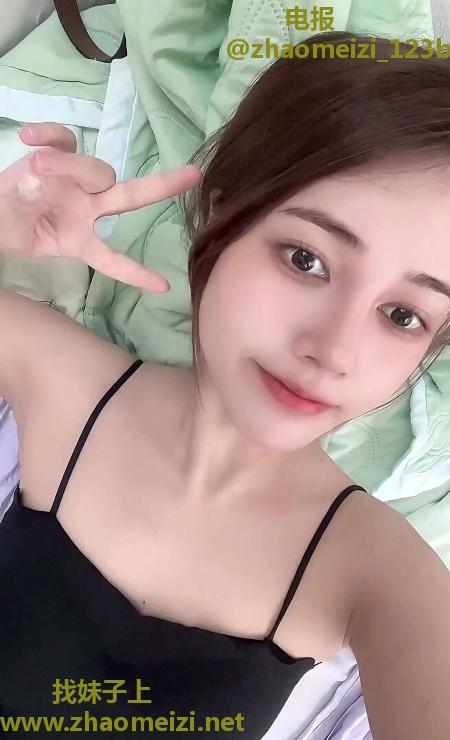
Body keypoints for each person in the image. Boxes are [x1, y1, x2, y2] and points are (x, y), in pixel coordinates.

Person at [0, 31, 450, 739]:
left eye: (403, 316)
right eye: (305, 259)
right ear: (218, 213)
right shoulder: (60, 378)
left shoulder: (383, 577)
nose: (332, 351)